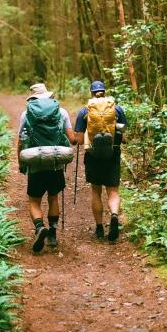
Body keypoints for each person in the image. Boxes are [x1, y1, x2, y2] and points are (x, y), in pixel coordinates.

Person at [18, 83, 75, 253]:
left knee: (34, 200)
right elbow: (71, 138)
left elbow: (21, 140)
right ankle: (52, 234)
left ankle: (39, 227)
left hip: (35, 162)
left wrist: (21, 161)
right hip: (55, 162)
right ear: (48, 95)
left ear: (32, 97)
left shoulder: (26, 113)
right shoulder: (62, 111)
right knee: (53, 197)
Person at [74, 81, 127, 242]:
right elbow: (123, 135)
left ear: (91, 93)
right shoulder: (116, 109)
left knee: (96, 191)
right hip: (113, 153)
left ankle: (98, 228)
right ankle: (114, 216)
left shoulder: (85, 111)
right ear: (104, 92)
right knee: (113, 191)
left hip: (93, 155)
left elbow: (78, 139)